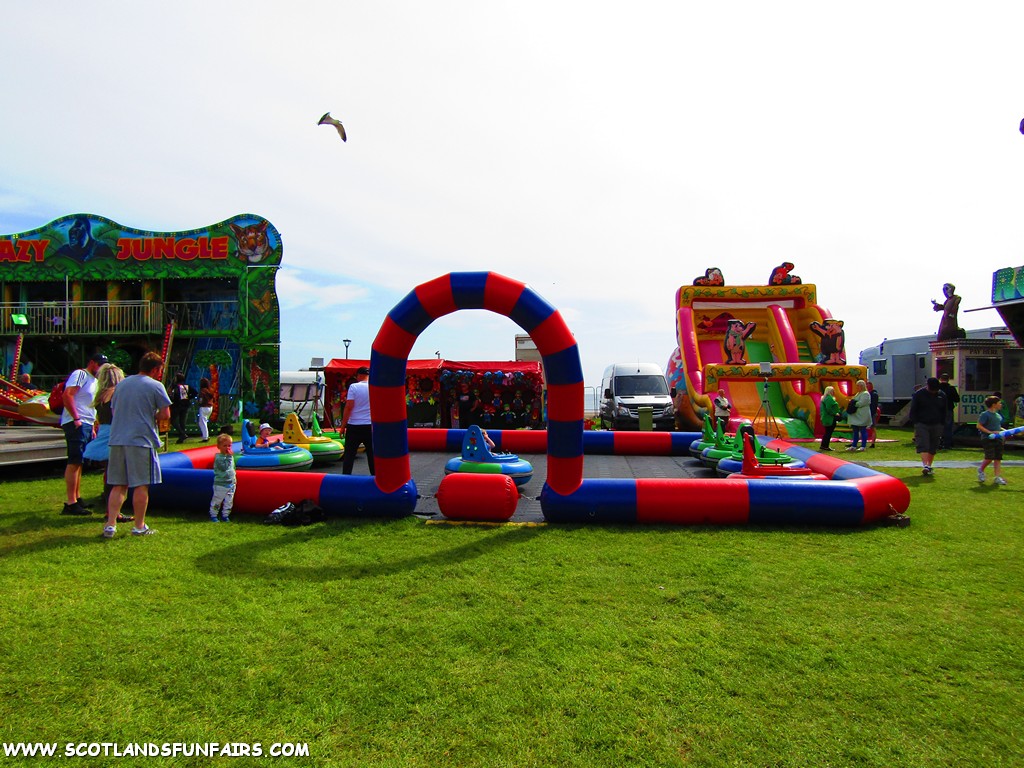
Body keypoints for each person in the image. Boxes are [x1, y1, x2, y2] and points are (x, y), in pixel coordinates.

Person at [102, 352, 172, 538]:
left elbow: (114, 410)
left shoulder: (122, 384)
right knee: (141, 484)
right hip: (141, 439)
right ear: (155, 369)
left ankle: (110, 524)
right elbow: (165, 414)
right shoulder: (155, 386)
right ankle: (139, 526)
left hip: (117, 438)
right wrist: (152, 415)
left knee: (118, 484)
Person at [82, 362, 132, 522]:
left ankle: (111, 510)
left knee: (109, 476)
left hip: (103, 435)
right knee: (119, 479)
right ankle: (113, 512)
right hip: (115, 436)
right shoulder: (117, 393)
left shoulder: (101, 396)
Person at [59, 353, 107, 516]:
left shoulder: (94, 380)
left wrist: (92, 424)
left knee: (79, 461)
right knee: (74, 460)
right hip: (77, 421)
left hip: (86, 421)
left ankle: (77, 497)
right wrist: (76, 418)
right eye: (99, 364)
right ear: (92, 363)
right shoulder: (80, 374)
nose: (100, 368)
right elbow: (68, 395)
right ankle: (71, 502)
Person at [908, 377, 947, 476]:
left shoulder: (942, 395)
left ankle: (929, 465)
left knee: (933, 446)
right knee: (923, 444)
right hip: (922, 423)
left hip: (937, 423)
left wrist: (942, 423)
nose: (934, 391)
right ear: (927, 386)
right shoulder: (919, 394)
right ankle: (925, 465)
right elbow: (913, 409)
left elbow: (944, 410)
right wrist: (915, 422)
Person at [340, 365, 374, 475]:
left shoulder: (354, 387)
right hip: (369, 425)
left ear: (358, 376)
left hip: (354, 425)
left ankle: (346, 478)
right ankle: (375, 478)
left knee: (349, 454)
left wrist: (343, 426)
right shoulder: (373, 387)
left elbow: (349, 407)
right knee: (372, 454)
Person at [977, 395, 1008, 485]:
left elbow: (998, 427)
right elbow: (979, 426)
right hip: (988, 438)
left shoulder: (998, 415)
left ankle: (997, 477)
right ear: (994, 404)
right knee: (989, 457)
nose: (1001, 405)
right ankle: (981, 470)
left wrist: (1005, 431)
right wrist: (990, 432)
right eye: (999, 403)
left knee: (998, 458)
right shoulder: (985, 414)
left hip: (998, 439)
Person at [208, 434, 237, 521]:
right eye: (225, 446)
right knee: (217, 500)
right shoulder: (219, 458)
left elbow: (232, 468)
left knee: (229, 501)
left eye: (229, 445)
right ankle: (213, 515)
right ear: (219, 447)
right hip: (221, 484)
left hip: (231, 483)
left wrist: (234, 479)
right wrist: (229, 457)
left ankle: (225, 515)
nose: (227, 448)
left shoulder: (229, 457)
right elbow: (224, 467)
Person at [844, 380, 872, 451]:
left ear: (862, 386)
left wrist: (853, 403)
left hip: (862, 415)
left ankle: (863, 446)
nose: (857, 387)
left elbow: (861, 403)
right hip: (856, 416)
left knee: (863, 430)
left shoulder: (865, 394)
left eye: (858, 386)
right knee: (855, 431)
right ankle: (854, 445)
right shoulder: (858, 393)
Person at [167, 372, 194, 443]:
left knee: (172, 420)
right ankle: (182, 436)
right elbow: (194, 393)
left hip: (178, 405)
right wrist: (189, 398)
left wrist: (171, 398)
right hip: (185, 405)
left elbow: (174, 396)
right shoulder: (185, 386)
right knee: (182, 421)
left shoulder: (176, 386)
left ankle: (182, 433)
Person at [936, 373, 960, 449]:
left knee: (937, 426)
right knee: (948, 427)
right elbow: (957, 399)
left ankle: (937, 443)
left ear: (940, 379)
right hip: (948, 409)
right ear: (948, 379)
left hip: (937, 410)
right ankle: (947, 444)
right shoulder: (951, 388)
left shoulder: (937, 388)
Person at [818, 385, 841, 451]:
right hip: (830, 418)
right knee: (829, 432)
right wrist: (835, 413)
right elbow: (829, 408)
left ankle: (823, 445)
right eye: (833, 391)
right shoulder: (829, 398)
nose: (834, 392)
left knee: (827, 432)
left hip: (826, 418)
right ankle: (825, 446)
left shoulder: (824, 398)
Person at [866, 382, 880, 447]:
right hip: (868, 413)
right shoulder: (868, 394)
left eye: (868, 386)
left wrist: (872, 413)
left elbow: (874, 405)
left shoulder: (874, 394)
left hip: (871, 413)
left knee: (873, 428)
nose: (867, 387)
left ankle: (873, 443)